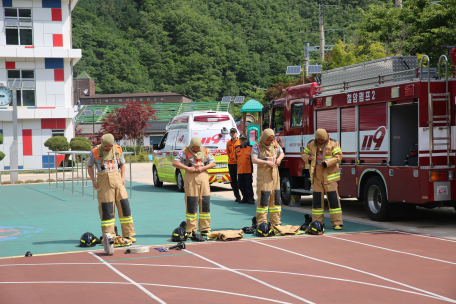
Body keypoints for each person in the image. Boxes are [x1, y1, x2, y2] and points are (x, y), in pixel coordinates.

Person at [88, 134, 136, 242]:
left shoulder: (118, 149)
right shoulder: (95, 151)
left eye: (110, 146)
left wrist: (123, 177)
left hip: (118, 180)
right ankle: (109, 235)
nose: (108, 148)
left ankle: (128, 234)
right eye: (106, 147)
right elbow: (89, 166)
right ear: (102, 144)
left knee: (124, 206)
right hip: (103, 182)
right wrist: (93, 180)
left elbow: (123, 164)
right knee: (107, 209)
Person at [172, 137, 216, 236]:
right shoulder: (185, 151)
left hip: (203, 176)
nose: (196, 149)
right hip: (190, 178)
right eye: (194, 147)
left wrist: (203, 168)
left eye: (197, 147)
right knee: (191, 203)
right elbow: (175, 162)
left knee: (205, 202)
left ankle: (205, 228)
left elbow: (213, 163)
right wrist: (187, 168)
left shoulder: (205, 150)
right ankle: (191, 229)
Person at [301, 129, 343, 230]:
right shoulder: (311, 143)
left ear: (326, 137)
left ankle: (337, 223)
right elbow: (304, 154)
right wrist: (308, 158)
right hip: (316, 175)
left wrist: (327, 163)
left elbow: (339, 156)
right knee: (317, 201)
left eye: (322, 139)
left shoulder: (333, 143)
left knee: (333, 200)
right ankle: (317, 222)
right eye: (318, 139)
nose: (320, 141)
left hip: (329, 175)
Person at [251, 129, 284, 226]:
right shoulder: (257, 146)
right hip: (264, 176)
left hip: (275, 175)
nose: (270, 142)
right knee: (263, 201)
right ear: (264, 137)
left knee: (276, 200)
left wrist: (279, 159)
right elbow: (254, 159)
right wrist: (266, 162)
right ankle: (262, 223)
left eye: (271, 140)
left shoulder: (275, 144)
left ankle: (276, 223)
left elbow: (282, 153)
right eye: (268, 140)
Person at [235, 133, 254, 204]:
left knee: (248, 185)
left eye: (244, 139)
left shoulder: (250, 148)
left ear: (246, 140)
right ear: (239, 140)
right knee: (241, 185)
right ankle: (244, 198)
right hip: (240, 170)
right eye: (241, 139)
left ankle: (250, 198)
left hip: (248, 170)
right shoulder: (237, 149)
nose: (242, 140)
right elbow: (236, 158)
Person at [226, 127, 241, 202]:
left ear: (236, 133)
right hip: (231, 164)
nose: (233, 134)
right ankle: (237, 197)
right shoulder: (228, 143)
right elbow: (228, 153)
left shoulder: (240, 142)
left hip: (239, 163)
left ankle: (245, 196)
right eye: (231, 133)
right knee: (233, 181)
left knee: (241, 180)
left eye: (234, 132)